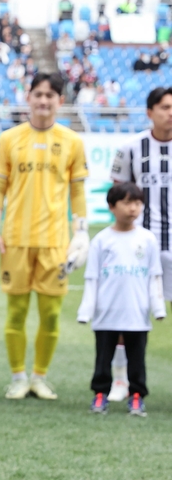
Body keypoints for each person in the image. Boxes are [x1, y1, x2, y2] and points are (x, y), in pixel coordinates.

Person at [0, 73, 88, 400]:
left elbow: (78, 191)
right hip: (15, 238)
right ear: (28, 97)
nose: (44, 101)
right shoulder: (8, 139)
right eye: (38, 94)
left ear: (60, 101)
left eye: (51, 95)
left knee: (52, 315)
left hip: (56, 242)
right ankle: (18, 376)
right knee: (16, 312)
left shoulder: (73, 141)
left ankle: (40, 376)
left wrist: (81, 233)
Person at [106, 86, 172, 401]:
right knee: (125, 314)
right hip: (139, 249)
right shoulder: (131, 149)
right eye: (165, 107)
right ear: (149, 112)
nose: (170, 113)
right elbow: (118, 196)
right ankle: (120, 380)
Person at [77, 182, 163, 416]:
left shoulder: (147, 239)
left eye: (137, 203)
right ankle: (100, 394)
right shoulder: (102, 240)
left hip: (137, 312)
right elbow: (92, 277)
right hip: (107, 312)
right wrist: (86, 311)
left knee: (137, 357)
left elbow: (154, 275)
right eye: (126, 202)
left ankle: (136, 396)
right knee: (103, 356)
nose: (133, 208)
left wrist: (157, 308)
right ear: (112, 206)